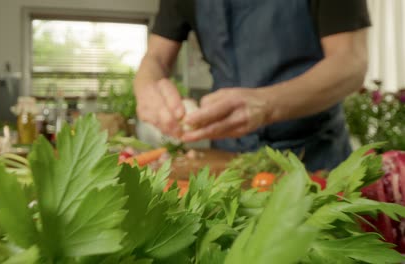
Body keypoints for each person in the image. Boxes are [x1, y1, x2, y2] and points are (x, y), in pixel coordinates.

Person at [134, 0, 370, 171]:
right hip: (226, 156)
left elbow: (350, 62)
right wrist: (147, 87)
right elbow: (155, 57)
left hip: (314, 155)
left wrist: (266, 105)